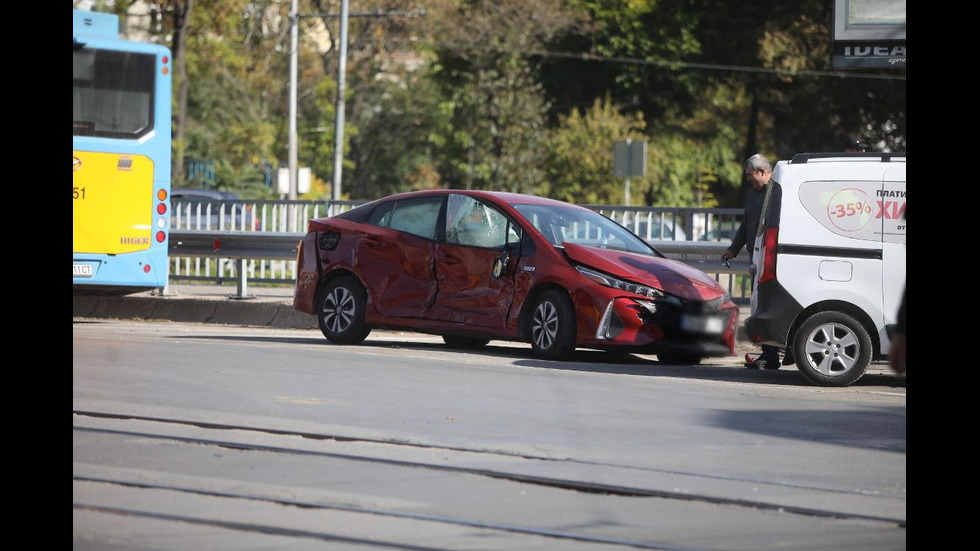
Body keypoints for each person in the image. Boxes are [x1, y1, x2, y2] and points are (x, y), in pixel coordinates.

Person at [721, 153, 782, 369]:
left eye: (750, 175)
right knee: (758, 304)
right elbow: (746, 223)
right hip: (756, 255)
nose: (748, 179)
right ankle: (769, 354)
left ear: (763, 172)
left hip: (771, 255)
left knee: (766, 303)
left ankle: (771, 355)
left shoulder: (776, 192)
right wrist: (733, 249)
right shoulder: (753, 193)